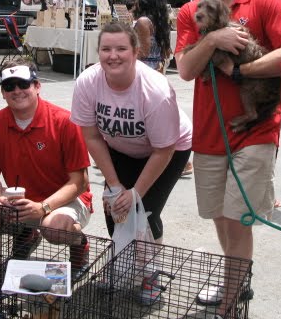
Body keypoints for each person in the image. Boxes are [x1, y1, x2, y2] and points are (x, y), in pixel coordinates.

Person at [175, 0, 281, 311]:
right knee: (219, 216)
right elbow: (184, 69)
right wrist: (213, 40)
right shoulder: (190, 11)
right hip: (210, 131)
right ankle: (237, 278)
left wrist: (242, 72)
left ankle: (230, 302)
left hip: (256, 127)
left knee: (237, 217)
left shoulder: (265, 0)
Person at [71, 22, 192, 300]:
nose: (113, 55)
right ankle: (122, 266)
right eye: (106, 49)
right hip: (119, 146)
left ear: (136, 52)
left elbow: (164, 148)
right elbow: (91, 136)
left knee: (145, 210)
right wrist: (114, 185)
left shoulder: (155, 90)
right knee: (116, 205)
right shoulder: (88, 82)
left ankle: (150, 275)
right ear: (98, 51)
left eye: (121, 48)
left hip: (168, 148)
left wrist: (136, 191)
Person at [0, 59, 93, 275]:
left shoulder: (65, 121)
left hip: (65, 199)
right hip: (22, 200)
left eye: (23, 84)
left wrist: (44, 207)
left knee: (54, 227)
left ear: (37, 86)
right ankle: (27, 233)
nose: (17, 91)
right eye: (9, 86)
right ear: (3, 92)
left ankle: (79, 246)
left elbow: (80, 181)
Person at [132, 0, 194, 176]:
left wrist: (126, 46)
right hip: (157, 69)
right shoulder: (158, 20)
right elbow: (165, 50)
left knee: (146, 116)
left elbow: (142, 52)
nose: (134, 0)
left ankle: (178, 158)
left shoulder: (143, 21)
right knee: (155, 115)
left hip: (144, 70)